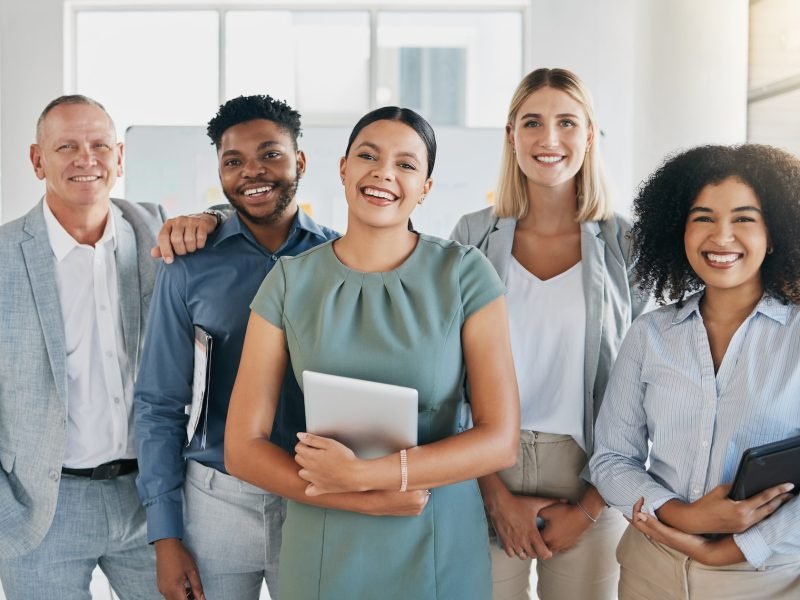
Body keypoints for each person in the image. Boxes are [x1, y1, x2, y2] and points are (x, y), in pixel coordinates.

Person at [224, 106, 520, 600]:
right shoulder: (288, 282)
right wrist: (358, 497)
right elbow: (242, 447)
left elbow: (500, 440)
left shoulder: (465, 275)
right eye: (369, 155)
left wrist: (367, 476)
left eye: (406, 164)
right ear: (343, 168)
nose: (384, 172)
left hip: (436, 533)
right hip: (323, 538)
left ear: (426, 187)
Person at [450, 67, 648, 600]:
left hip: (590, 472)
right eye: (532, 122)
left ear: (589, 134)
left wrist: (589, 507)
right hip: (485, 465)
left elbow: (643, 385)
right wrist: (493, 495)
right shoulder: (472, 236)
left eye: (567, 122)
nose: (550, 139)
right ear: (511, 135)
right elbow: (447, 374)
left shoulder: (627, 244)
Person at [133, 95, 339, 600]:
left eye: (270, 154)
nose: (253, 172)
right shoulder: (187, 266)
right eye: (234, 161)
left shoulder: (340, 260)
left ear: (301, 162)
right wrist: (165, 535)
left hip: (314, 497)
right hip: (214, 503)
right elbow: (158, 404)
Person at [590, 144, 800, 599]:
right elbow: (610, 458)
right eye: (703, 217)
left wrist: (734, 546)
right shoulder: (650, 334)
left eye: (744, 218)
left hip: (766, 580)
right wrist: (684, 517)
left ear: (775, 231)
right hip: (650, 570)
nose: (721, 236)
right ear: (677, 230)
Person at [0, 95, 162, 598]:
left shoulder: (159, 237)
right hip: (42, 509)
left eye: (98, 145)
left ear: (119, 156)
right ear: (36, 159)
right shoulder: (4, 256)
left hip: (149, 501)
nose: (85, 159)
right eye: (66, 146)